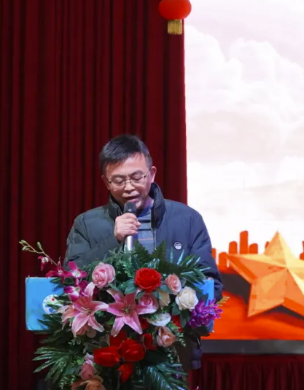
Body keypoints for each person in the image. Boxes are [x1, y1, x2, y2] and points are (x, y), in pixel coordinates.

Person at [64, 134, 223, 370]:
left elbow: (210, 284)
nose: (129, 187)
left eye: (136, 177)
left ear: (152, 174)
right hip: (107, 354)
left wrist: (171, 312)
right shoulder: (87, 224)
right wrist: (113, 240)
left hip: (171, 352)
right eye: (119, 180)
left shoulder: (187, 219)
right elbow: (71, 281)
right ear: (106, 182)